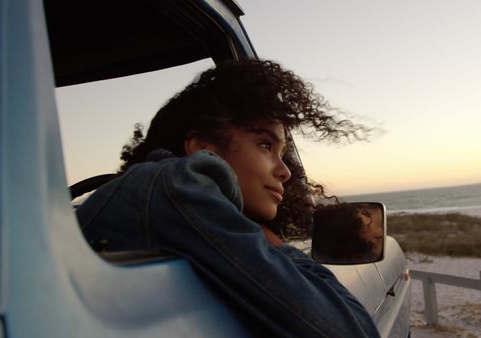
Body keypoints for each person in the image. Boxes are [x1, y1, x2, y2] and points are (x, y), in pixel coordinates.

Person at [76, 60, 380, 337]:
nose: (285, 171)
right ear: (203, 148)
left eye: (283, 153)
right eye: (264, 144)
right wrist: (270, 242)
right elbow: (351, 331)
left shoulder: (157, 193)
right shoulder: (176, 185)